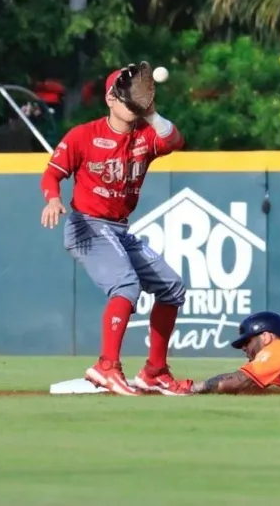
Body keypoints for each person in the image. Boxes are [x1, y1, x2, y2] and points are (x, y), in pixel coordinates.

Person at [39, 64, 192, 396]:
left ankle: (155, 372)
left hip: (119, 230)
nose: (135, 101)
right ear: (110, 98)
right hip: (86, 225)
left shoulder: (145, 135)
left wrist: (150, 113)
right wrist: (53, 199)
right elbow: (51, 175)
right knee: (126, 285)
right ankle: (106, 366)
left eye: (140, 95)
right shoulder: (83, 134)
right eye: (129, 96)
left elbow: (176, 140)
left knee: (171, 288)